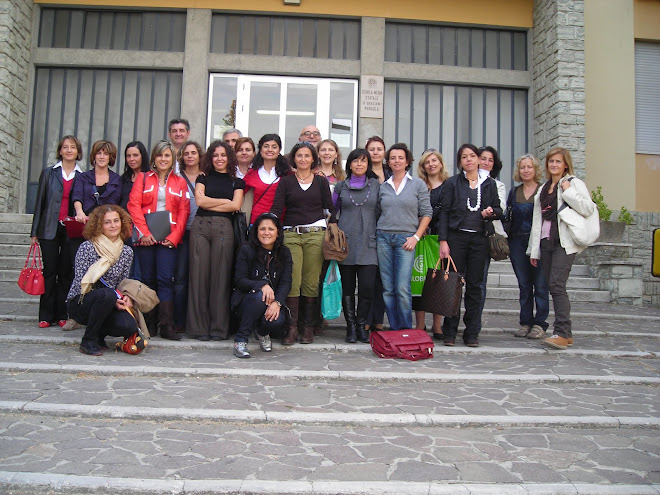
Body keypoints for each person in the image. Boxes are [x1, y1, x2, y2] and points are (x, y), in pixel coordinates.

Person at [528, 147, 596, 350]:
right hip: (546, 242)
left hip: (564, 243)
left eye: (558, 162)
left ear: (565, 164)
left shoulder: (573, 183)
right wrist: (534, 250)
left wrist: (568, 191)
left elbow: (588, 208)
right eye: (551, 162)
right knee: (552, 285)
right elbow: (537, 220)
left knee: (557, 285)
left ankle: (562, 333)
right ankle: (566, 333)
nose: (554, 165)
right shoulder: (544, 188)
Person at [438, 144, 502, 347]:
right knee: (453, 285)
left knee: (475, 286)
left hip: (480, 240)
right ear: (460, 162)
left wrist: (491, 211)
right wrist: (443, 241)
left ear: (478, 159)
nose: (469, 160)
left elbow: (500, 210)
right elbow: (444, 213)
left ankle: (472, 332)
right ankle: (449, 331)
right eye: (464, 157)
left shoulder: (489, 184)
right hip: (456, 239)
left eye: (472, 156)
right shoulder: (452, 183)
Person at [271, 141, 335, 345]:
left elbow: (330, 209)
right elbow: (276, 209)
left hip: (316, 235)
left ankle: (307, 327)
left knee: (311, 282)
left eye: (307, 156)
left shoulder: (321, 182)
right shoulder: (286, 182)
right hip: (291, 235)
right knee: (293, 281)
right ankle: (291, 327)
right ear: (294, 159)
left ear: (313, 159)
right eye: (299, 156)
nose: (303, 159)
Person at [128, 140, 190, 341]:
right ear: (154, 158)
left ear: (173, 159)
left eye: (167, 156)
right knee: (148, 280)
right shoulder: (143, 178)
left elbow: (183, 211)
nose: (163, 159)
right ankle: (149, 324)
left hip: (168, 239)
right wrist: (144, 233)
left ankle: (167, 325)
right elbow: (134, 205)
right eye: (160, 155)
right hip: (146, 238)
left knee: (165, 280)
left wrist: (174, 237)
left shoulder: (180, 182)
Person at [187, 140, 244, 341]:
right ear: (210, 158)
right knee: (198, 277)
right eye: (215, 155)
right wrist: (225, 202)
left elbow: (236, 205)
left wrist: (219, 203)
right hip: (200, 228)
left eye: (223, 155)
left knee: (221, 278)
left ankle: (219, 329)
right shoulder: (202, 178)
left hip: (224, 229)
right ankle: (198, 328)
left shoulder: (237, 182)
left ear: (229, 158)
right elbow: (200, 201)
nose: (219, 159)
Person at [66, 205, 136, 356]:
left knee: (128, 326)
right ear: (99, 225)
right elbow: (81, 281)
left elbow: (122, 282)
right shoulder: (87, 247)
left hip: (110, 301)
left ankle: (99, 336)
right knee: (107, 295)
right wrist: (111, 298)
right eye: (107, 222)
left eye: (116, 221)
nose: (113, 225)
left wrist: (126, 297)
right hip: (81, 301)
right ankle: (88, 341)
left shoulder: (126, 252)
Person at [376, 143, 432, 331]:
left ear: (407, 161)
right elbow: (377, 212)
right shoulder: (384, 186)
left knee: (402, 288)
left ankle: (406, 331)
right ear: (388, 162)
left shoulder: (418, 184)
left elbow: (426, 213)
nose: (397, 161)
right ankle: (394, 329)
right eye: (393, 158)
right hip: (383, 238)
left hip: (406, 239)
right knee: (388, 289)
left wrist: (415, 237)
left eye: (401, 157)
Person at [30, 135, 83, 328]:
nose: (69, 150)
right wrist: (34, 232)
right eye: (65, 147)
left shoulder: (82, 176)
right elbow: (40, 204)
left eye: (73, 147)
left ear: (78, 152)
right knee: (49, 271)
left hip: (70, 231)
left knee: (66, 273)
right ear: (60, 151)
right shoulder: (49, 173)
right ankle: (45, 315)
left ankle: (63, 313)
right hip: (49, 229)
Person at [333, 148, 380, 343]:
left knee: (368, 288)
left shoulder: (377, 185)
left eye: (363, 161)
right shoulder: (340, 187)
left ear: (368, 164)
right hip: (346, 244)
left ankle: (362, 326)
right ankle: (351, 327)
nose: (359, 164)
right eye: (355, 161)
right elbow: (331, 212)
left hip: (369, 243)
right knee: (347, 289)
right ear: (349, 164)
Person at [231, 213, 293, 358]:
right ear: (256, 231)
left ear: (278, 232)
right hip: (245, 301)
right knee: (260, 296)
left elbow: (285, 282)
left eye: (271, 229)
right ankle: (240, 340)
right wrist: (261, 285)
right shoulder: (246, 249)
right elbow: (239, 280)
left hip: (271, 302)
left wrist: (277, 302)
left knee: (277, 321)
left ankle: (262, 332)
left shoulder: (284, 253)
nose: (266, 233)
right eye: (262, 229)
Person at [508, 154, 549, 340]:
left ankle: (540, 324)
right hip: (517, 242)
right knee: (524, 285)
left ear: (536, 170)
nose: (526, 170)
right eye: (522, 167)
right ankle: (526, 322)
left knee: (540, 285)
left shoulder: (544, 190)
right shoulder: (514, 192)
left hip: (539, 243)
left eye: (529, 167)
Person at [413, 149, 448, 339]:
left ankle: (437, 326)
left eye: (434, 161)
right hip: (421, 237)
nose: (431, 164)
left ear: (440, 163)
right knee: (420, 281)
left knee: (437, 283)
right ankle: (420, 324)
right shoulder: (419, 185)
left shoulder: (448, 186)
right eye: (427, 162)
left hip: (440, 239)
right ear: (423, 166)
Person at [70, 140, 122, 269]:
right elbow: (77, 196)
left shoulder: (117, 179)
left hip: (107, 231)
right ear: (94, 156)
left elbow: (117, 202)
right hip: (85, 227)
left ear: (111, 157)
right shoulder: (83, 177)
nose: (102, 157)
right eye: (98, 153)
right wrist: (79, 212)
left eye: (105, 154)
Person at [173, 140, 202, 334]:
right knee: (181, 278)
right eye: (186, 153)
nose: (190, 156)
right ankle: (179, 321)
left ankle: (197, 321)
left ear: (200, 155)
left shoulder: (207, 176)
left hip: (202, 232)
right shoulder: (176, 178)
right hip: (182, 232)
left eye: (193, 153)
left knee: (199, 278)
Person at [476, 146, 508, 320]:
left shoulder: (498, 185)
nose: (486, 163)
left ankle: (475, 322)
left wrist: (488, 211)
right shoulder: (462, 181)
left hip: (485, 237)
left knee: (480, 282)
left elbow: (500, 208)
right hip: (462, 236)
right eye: (483, 158)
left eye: (490, 160)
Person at [364, 135, 390, 332]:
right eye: (371, 149)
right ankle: (364, 319)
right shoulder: (362, 174)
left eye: (379, 149)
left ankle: (378, 319)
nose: (375, 152)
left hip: (388, 228)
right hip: (366, 228)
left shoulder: (392, 173)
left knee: (382, 278)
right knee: (367, 278)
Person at [244, 134, 290, 225]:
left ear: (279, 150)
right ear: (260, 150)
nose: (270, 150)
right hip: (256, 223)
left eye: (274, 147)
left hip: (280, 223)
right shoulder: (252, 173)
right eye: (266, 146)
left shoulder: (287, 173)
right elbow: (239, 193)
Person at [119, 142, 150, 210]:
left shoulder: (151, 178)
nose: (131, 159)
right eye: (128, 156)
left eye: (135, 155)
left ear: (143, 156)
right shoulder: (123, 179)